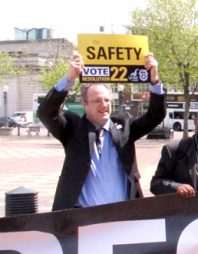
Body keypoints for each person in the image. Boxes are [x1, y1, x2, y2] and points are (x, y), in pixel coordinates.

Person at [38, 50, 166, 211]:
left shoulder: (123, 126)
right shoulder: (73, 129)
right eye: (97, 101)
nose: (104, 105)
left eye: (107, 100)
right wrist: (69, 79)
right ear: (85, 104)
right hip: (82, 218)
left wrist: (154, 81)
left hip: (123, 216)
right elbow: (45, 113)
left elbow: (155, 115)